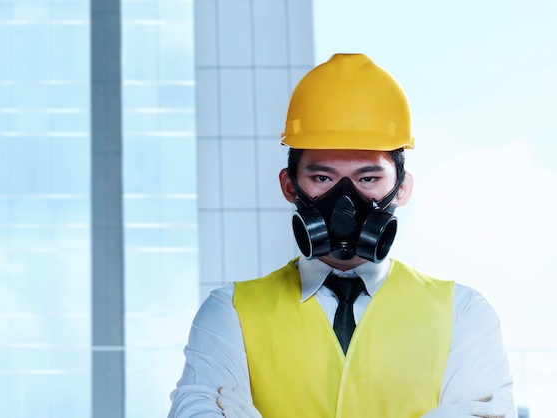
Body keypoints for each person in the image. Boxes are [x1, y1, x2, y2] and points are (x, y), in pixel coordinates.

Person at [168, 53, 516, 417]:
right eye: (322, 178)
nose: (346, 201)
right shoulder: (230, 313)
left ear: (401, 188)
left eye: (368, 178)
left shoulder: (464, 315)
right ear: (289, 186)